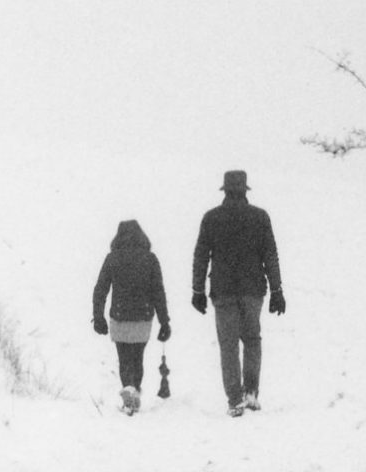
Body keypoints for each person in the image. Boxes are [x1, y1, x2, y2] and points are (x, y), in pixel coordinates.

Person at [190, 168, 284, 416]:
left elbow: (201, 256)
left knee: (228, 345)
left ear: (225, 190)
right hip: (253, 289)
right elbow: (270, 255)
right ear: (244, 190)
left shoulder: (211, 218)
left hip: (223, 291)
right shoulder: (260, 217)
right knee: (252, 340)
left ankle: (234, 399)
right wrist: (277, 290)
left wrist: (197, 289)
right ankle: (251, 392)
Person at [91, 220, 171, 415]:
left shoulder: (113, 258)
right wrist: (164, 321)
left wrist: (98, 316)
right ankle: (134, 389)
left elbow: (100, 289)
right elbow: (158, 292)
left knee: (124, 357)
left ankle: (129, 389)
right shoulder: (150, 259)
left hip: (119, 316)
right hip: (143, 318)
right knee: (138, 357)